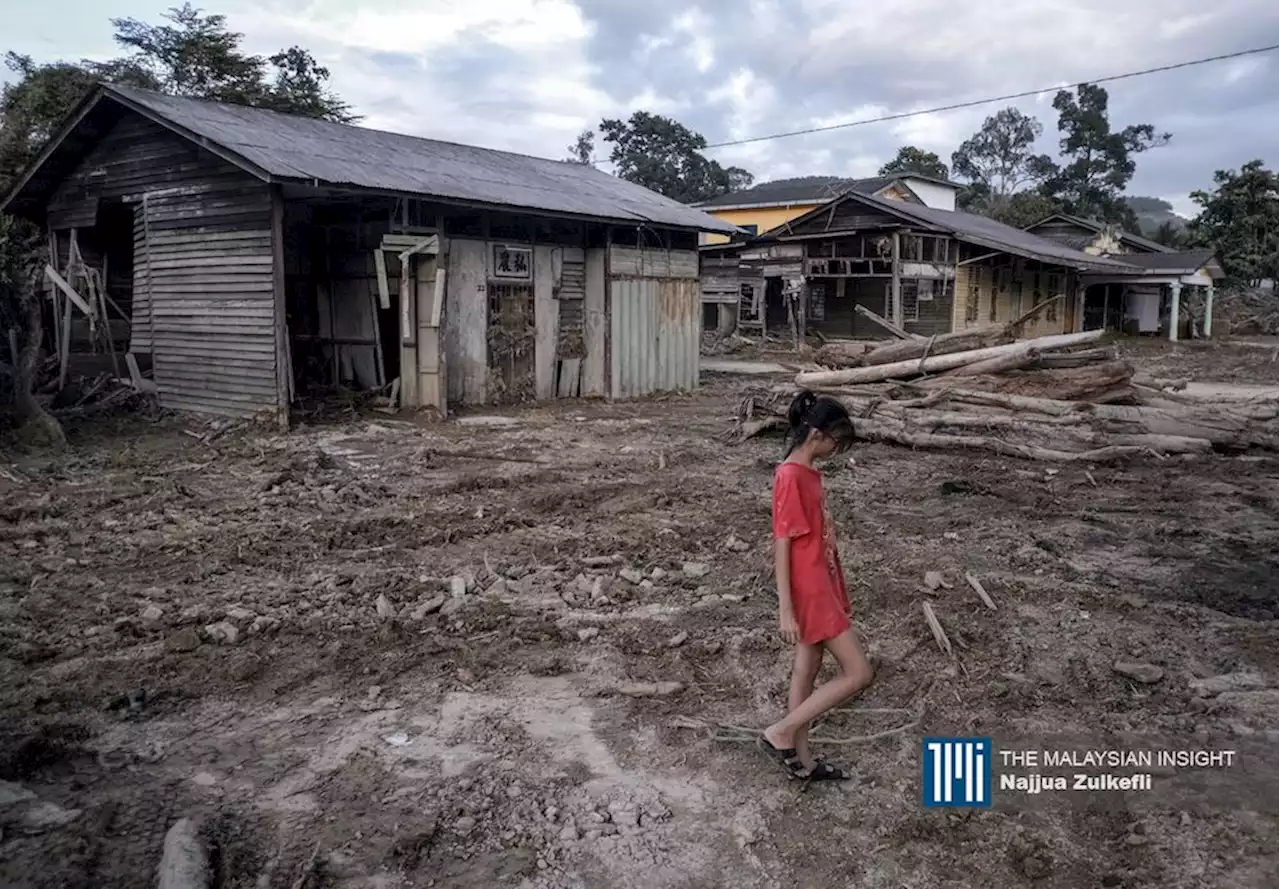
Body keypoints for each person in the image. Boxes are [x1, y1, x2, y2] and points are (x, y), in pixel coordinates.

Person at [758, 391, 874, 781]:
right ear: (816, 436)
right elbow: (782, 542)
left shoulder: (807, 472)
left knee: (805, 670)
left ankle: (801, 758)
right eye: (835, 441)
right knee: (859, 673)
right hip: (810, 588)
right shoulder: (790, 475)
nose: (836, 448)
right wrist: (786, 608)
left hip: (819, 579)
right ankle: (781, 731)